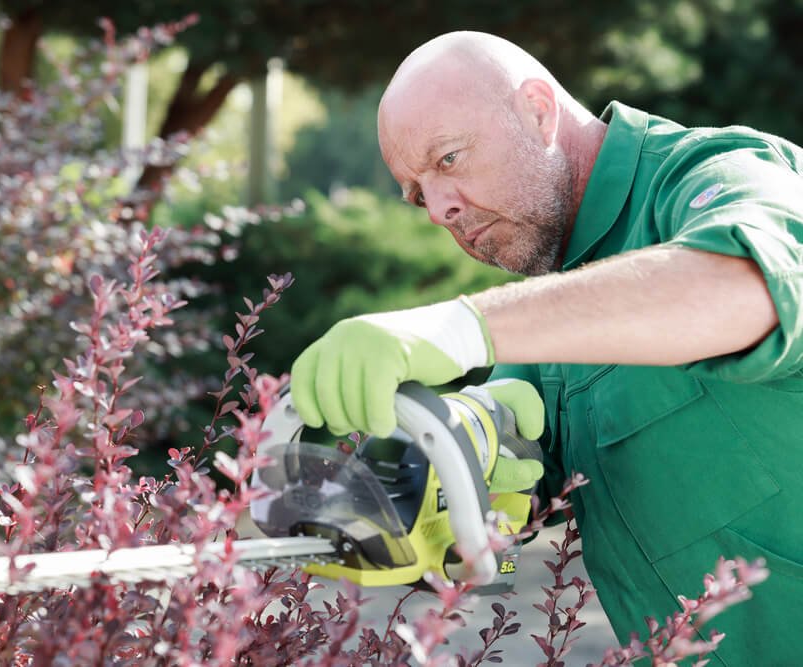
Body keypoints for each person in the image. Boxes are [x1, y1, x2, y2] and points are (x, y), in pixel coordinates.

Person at [289, 31, 803, 665]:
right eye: (419, 193)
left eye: (448, 159)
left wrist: (459, 325)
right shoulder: (552, 309)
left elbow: (751, 286)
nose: (439, 210)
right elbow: (512, 500)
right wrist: (432, 490)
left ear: (537, 109)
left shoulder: (718, 173)